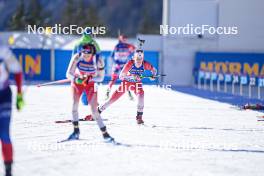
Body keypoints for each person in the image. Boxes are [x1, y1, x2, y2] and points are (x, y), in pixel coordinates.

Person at [66, 43, 113, 141]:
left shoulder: (98, 60)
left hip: (90, 84)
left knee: (94, 110)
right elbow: (68, 74)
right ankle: (76, 132)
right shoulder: (77, 57)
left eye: (88, 54)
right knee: (74, 105)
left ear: (93, 54)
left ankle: (105, 134)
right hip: (77, 82)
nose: (86, 56)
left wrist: (90, 78)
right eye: (84, 53)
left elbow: (100, 78)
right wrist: (78, 78)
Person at [98, 47, 157, 124]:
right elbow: (121, 76)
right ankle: (98, 111)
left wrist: (153, 76)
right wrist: (132, 76)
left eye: (140, 59)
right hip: (126, 83)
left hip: (137, 84)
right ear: (134, 58)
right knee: (113, 99)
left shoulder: (145, 64)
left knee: (141, 95)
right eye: (137, 59)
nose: (139, 61)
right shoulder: (130, 64)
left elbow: (154, 70)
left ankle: (139, 117)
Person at [0, 43, 24, 176]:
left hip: (3, 96)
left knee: (3, 134)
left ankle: (8, 172)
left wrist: (19, 95)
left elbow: (18, 71)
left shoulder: (2, 51)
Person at [73, 29, 102, 121]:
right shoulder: (94, 43)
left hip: (81, 69)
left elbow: (73, 57)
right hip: (91, 70)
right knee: (92, 87)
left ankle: (89, 103)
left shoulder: (78, 43)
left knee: (84, 90)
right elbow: (99, 55)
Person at [106, 35, 135, 100]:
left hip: (124, 66)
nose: (125, 40)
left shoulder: (127, 46)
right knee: (113, 79)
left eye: (125, 39)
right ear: (120, 39)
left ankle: (129, 94)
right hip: (117, 65)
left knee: (126, 80)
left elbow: (134, 48)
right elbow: (112, 55)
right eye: (123, 39)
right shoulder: (117, 46)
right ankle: (107, 93)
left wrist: (128, 44)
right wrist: (116, 62)